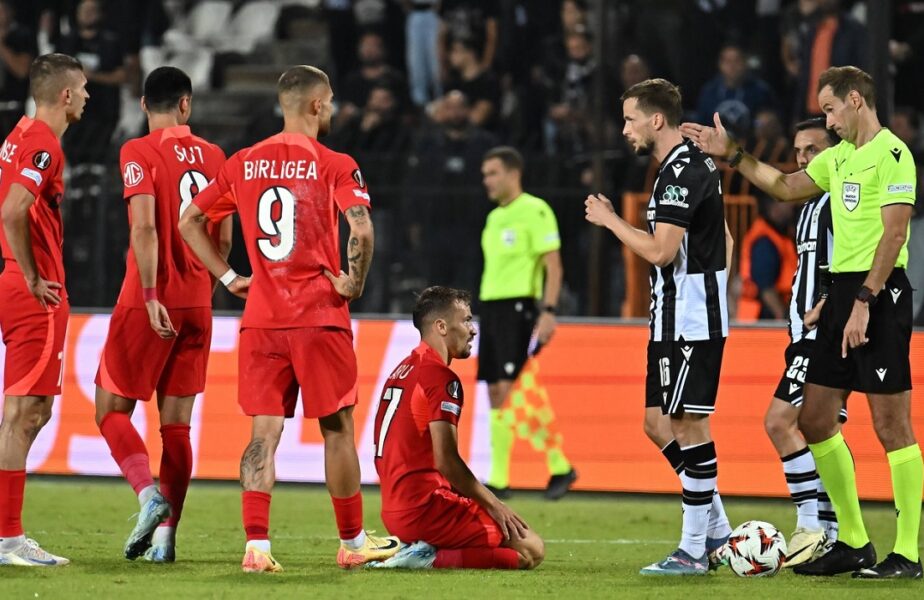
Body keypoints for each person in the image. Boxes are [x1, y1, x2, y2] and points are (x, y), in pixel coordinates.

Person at [681, 65, 922, 578]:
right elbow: (787, 187)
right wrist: (736, 156)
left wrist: (863, 300)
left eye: (831, 109)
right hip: (840, 293)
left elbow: (895, 235)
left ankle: (908, 552)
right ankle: (854, 543)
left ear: (855, 100)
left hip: (877, 293)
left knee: (891, 425)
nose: (828, 121)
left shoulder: (894, 154)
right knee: (813, 419)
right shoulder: (839, 159)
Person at [179, 65, 399, 573]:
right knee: (338, 429)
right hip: (319, 316)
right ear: (318, 105)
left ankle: (257, 547)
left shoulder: (243, 162)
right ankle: (352, 542)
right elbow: (361, 232)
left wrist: (229, 277)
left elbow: (189, 219)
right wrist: (354, 282)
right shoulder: (335, 162)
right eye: (332, 102)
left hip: (262, 319)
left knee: (263, 435)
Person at [584, 78, 732, 576]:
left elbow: (661, 251)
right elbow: (724, 238)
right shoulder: (685, 166)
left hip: (690, 320)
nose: (624, 129)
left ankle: (694, 550)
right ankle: (718, 531)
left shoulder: (680, 172)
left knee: (690, 424)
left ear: (656, 119)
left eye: (629, 119)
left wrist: (609, 220)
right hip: (672, 318)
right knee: (657, 423)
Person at [92, 66, 230, 564]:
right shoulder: (216, 157)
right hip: (198, 299)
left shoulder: (138, 151)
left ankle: (148, 496)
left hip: (149, 297)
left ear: (145, 105)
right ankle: (166, 541)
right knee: (177, 427)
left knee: (109, 409)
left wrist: (151, 294)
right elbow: (225, 239)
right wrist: (205, 286)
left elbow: (145, 229)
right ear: (187, 105)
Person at [370, 286, 544, 570]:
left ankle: (421, 549)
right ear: (441, 326)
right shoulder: (439, 377)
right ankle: (427, 559)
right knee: (530, 550)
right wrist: (494, 504)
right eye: (465, 320)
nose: (472, 330)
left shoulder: (402, 369)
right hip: (425, 509)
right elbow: (447, 460)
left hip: (394, 508)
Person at [0, 53, 88, 567]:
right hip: (36, 293)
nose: (88, 97)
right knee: (24, 414)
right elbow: (12, 208)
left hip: (12, 281)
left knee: (25, 412)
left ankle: (7, 535)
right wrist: (34, 274)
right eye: (82, 89)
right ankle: (9, 539)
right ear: (66, 95)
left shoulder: (18, 132)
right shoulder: (43, 144)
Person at [762, 117, 844, 567]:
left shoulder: (837, 202)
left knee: (779, 422)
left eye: (812, 150)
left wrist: (828, 303)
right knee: (820, 433)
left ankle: (811, 527)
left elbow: (860, 254)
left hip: (821, 337)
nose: (802, 160)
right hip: (804, 337)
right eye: (797, 153)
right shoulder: (811, 207)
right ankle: (832, 531)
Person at [477, 146, 576, 501]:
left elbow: (554, 264)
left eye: (492, 173)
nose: (486, 181)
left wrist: (548, 310)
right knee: (497, 391)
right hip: (491, 309)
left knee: (513, 390)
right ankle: (525, 472)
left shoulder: (535, 210)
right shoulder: (493, 218)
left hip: (517, 307)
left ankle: (545, 467)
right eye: (485, 174)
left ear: (512, 173)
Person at [737, 201, 797, 320]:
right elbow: (766, 288)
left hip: (766, 317)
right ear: (774, 207)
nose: (792, 207)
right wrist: (782, 319)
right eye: (787, 203)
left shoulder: (780, 237)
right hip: (760, 321)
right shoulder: (765, 242)